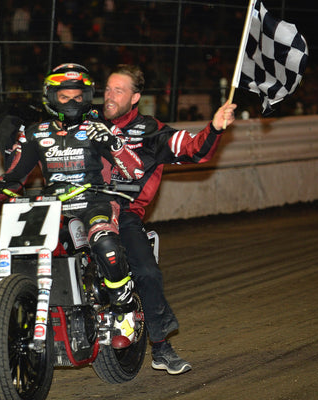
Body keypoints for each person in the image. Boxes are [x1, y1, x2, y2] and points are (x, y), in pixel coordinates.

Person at [0, 63, 145, 348]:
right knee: (23, 254)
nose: (73, 102)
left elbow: (135, 172)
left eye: (78, 96)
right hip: (51, 206)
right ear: (51, 97)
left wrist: (114, 144)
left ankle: (123, 309)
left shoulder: (99, 129)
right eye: (65, 97)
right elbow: (14, 177)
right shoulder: (34, 133)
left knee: (105, 243)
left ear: (88, 97)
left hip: (94, 201)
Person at [98, 64, 236, 375]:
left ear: (135, 98)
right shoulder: (88, 122)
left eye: (118, 91)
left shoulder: (152, 131)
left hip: (124, 215)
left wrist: (213, 128)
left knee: (147, 272)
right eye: (107, 89)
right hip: (80, 208)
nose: (109, 96)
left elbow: (193, 150)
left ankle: (161, 348)